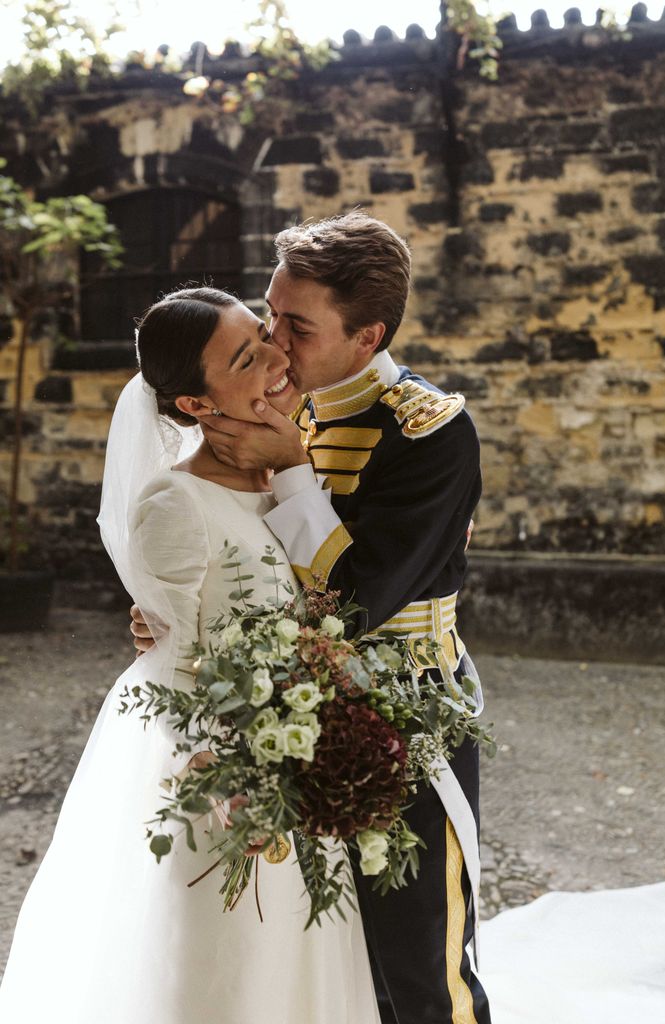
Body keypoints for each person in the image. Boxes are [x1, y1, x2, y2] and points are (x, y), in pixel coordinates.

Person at [133, 213, 489, 1024]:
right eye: (268, 315)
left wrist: (295, 471)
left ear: (367, 335)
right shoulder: (275, 400)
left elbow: (358, 601)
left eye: (296, 326)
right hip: (284, 716)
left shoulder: (428, 431)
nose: (275, 344)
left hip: (408, 714)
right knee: (327, 966)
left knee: (420, 966)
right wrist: (179, 615)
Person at [0, 288, 382, 1024]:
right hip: (228, 794)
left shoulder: (286, 477)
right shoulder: (175, 504)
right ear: (197, 406)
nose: (276, 356)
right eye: (246, 358)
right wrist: (248, 781)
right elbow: (176, 662)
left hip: (297, 775)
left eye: (263, 335)